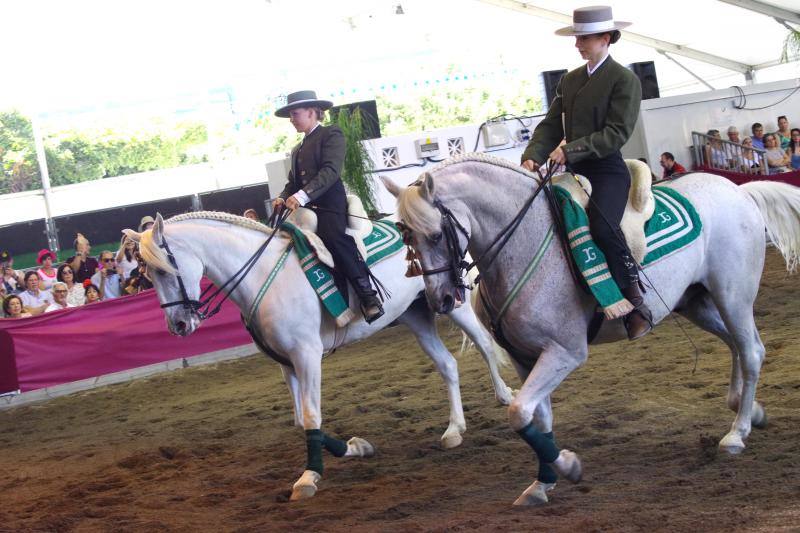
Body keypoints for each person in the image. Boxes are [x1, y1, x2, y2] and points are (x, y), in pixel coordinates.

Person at [520, 5, 651, 340]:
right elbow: (550, 125)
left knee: (604, 229)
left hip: (606, 169)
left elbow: (616, 133)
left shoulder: (625, 79)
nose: (578, 43)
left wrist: (570, 149)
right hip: (571, 171)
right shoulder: (571, 79)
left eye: (586, 37)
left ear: (606, 38)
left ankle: (635, 299)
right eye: (578, 37)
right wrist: (532, 157)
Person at [271, 90, 384, 323]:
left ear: (312, 112)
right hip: (306, 210)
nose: (292, 119)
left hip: (331, 205)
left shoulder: (332, 134)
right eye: (291, 115)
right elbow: (293, 182)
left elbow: (330, 171)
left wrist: (302, 196)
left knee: (334, 238)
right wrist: (283, 197)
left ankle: (368, 297)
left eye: (295, 114)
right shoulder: (297, 150)